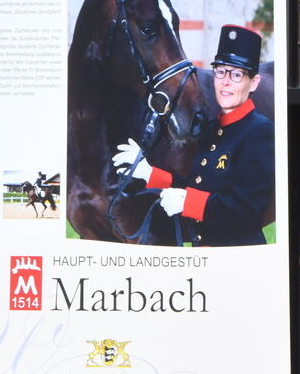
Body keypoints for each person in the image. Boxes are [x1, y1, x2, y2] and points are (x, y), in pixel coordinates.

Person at [111, 24, 275, 247]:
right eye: (220, 72)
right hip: (204, 256)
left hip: (239, 258)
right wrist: (148, 172)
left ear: (253, 82)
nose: (226, 81)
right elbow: (196, 185)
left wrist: (188, 203)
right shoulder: (214, 128)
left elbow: (247, 210)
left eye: (237, 74)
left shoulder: (259, 131)